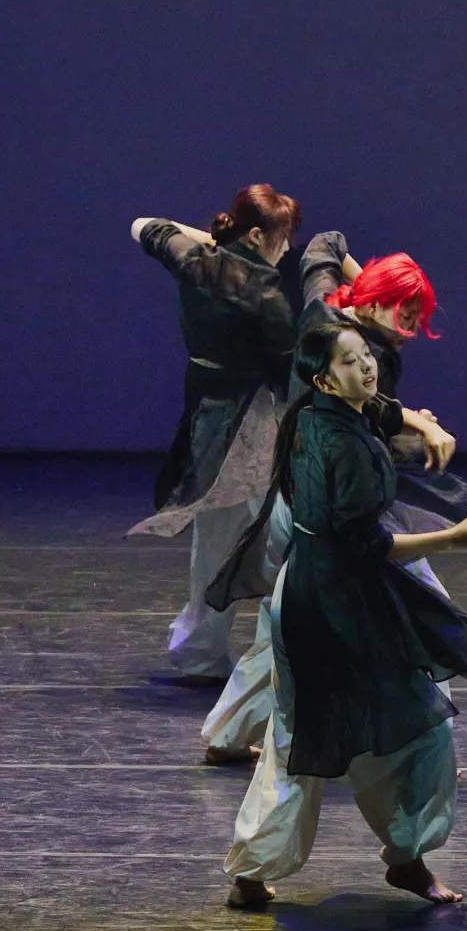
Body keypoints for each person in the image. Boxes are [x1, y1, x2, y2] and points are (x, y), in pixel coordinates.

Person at [223, 321, 467, 909]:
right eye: (350, 362)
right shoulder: (340, 445)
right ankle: (379, 858)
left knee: (347, 732)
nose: (368, 367)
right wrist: (450, 539)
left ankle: (395, 859)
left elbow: (379, 409)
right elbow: (365, 546)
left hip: (326, 591)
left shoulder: (319, 412)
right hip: (328, 604)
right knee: (327, 736)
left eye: (366, 355)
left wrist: (424, 424)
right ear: (325, 379)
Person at [201, 235, 467, 763]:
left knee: (288, 626)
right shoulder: (364, 363)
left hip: (295, 503)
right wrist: (416, 431)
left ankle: (228, 734)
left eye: (417, 316)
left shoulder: (322, 311)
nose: (409, 329)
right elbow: (359, 441)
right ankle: (426, 752)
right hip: (328, 511)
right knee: (420, 612)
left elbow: (323, 246)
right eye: (404, 314)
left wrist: (377, 287)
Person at [129, 185, 301, 682]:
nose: (287, 247)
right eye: (282, 236)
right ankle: (290, 648)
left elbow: (144, 224)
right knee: (282, 537)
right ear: (257, 235)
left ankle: (200, 652)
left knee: (216, 540)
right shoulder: (265, 293)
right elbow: (289, 372)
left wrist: (214, 243)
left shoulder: (193, 262)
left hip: (208, 418)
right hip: (253, 425)